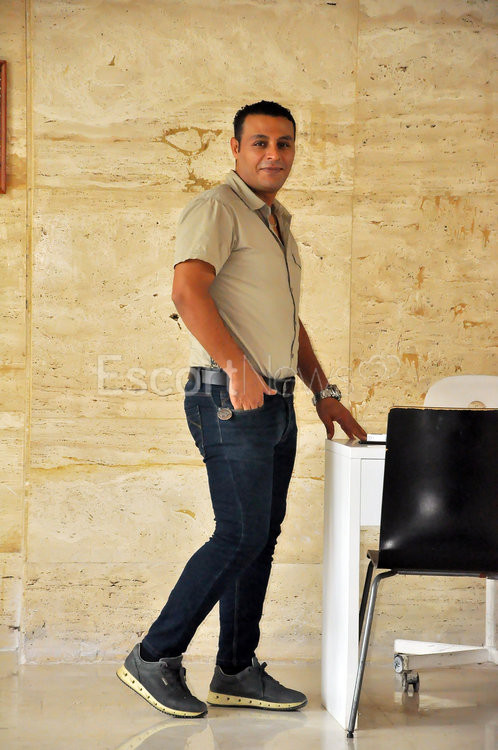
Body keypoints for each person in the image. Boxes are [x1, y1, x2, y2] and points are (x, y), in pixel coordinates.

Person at [117, 100, 366, 718]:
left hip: (275, 399)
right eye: (260, 143)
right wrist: (236, 368)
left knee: (260, 538)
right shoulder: (218, 209)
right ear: (235, 148)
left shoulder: (277, 222)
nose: (273, 155)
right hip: (228, 397)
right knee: (240, 534)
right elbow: (187, 291)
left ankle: (235, 669)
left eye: (284, 144)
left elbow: (286, 321)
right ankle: (153, 655)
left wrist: (324, 392)